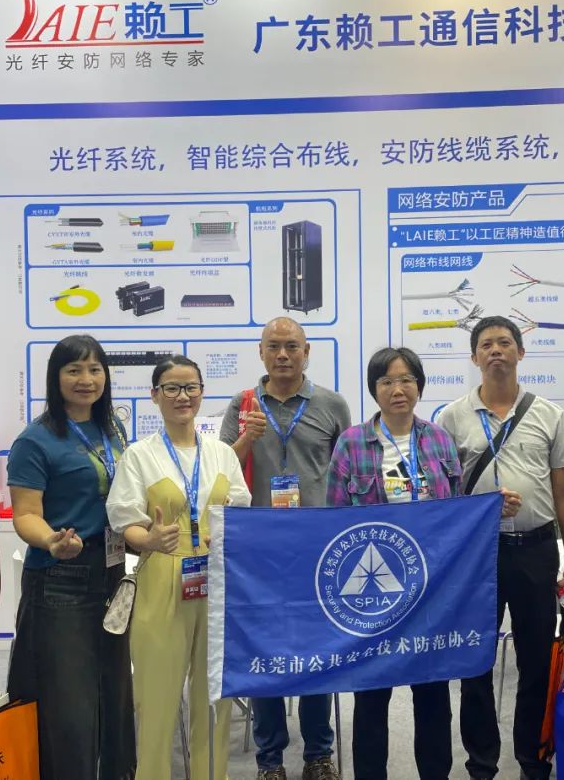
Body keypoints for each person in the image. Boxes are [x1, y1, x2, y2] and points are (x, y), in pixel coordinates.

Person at [437, 316, 564, 780]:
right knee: (475, 660)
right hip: (476, 554)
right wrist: (483, 508)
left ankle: (533, 760)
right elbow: (443, 496)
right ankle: (481, 763)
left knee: (536, 660)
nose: (495, 350)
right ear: (474, 357)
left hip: (535, 550)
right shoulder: (451, 418)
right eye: (486, 344)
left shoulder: (549, 414)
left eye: (504, 342)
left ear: (521, 352)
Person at [107, 355, 251, 780]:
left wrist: (227, 534)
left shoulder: (222, 454)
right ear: (155, 395)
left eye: (190, 387)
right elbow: (125, 520)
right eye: (171, 387)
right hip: (162, 575)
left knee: (215, 698)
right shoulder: (139, 455)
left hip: (217, 579)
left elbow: (240, 508)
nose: (182, 396)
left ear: (202, 393)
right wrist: (148, 539)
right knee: (156, 698)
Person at [220, 316, 351, 780]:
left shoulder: (332, 405)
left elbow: (348, 473)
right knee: (264, 653)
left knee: (318, 651)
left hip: (317, 547)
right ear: (260, 352)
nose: (282, 355)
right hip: (257, 549)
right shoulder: (242, 404)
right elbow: (221, 470)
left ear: (306, 351)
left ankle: (318, 754)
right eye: (273, 346)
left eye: (291, 346)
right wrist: (247, 437)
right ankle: (270, 759)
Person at [325, 347, 460, 780]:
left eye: (406, 380)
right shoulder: (351, 443)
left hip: (431, 589)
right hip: (374, 593)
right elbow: (334, 521)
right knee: (371, 695)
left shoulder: (439, 439)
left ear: (419, 385)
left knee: (433, 693)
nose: (397, 389)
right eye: (386, 381)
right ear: (374, 389)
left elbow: (457, 513)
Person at [6, 335, 136, 780]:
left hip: (112, 573)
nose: (86, 379)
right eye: (74, 370)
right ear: (55, 377)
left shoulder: (112, 430)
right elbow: (25, 513)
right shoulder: (36, 440)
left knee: (113, 696)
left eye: (95, 369)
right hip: (61, 577)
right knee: (69, 707)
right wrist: (51, 541)